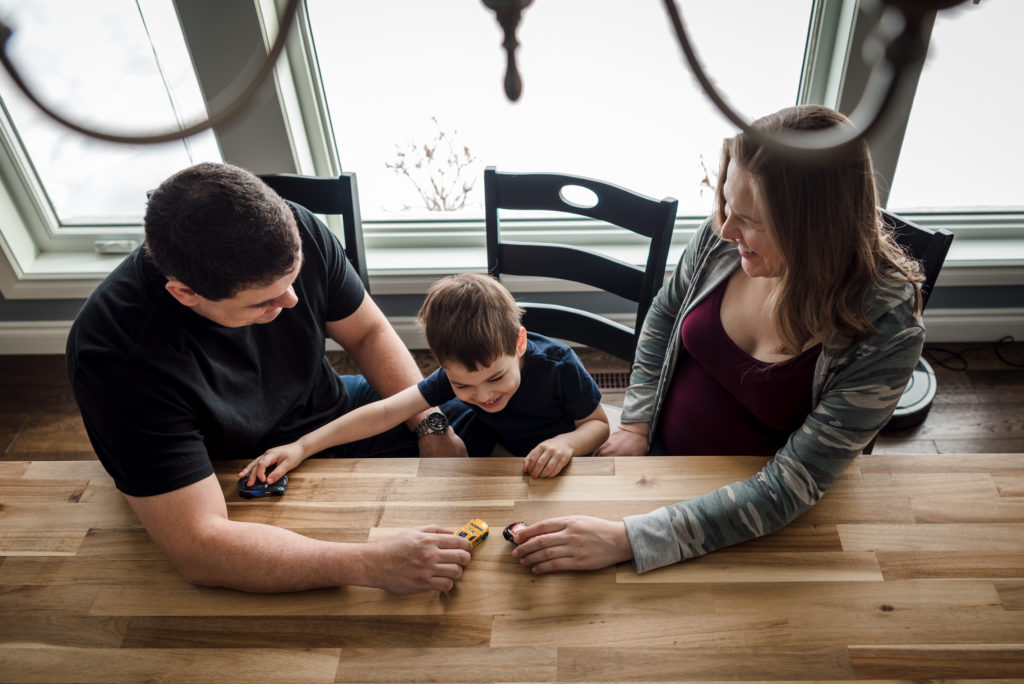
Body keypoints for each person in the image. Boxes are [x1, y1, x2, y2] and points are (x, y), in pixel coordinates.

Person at [510, 105, 926, 575]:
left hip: (748, 516)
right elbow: (665, 313)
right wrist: (637, 422)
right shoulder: (722, 238)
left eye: (751, 220)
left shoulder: (885, 333)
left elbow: (792, 485)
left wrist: (628, 539)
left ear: (815, 230)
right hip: (655, 463)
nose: (726, 230)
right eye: (727, 205)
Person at [66, 162, 473, 594]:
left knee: (488, 418)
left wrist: (430, 423)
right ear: (184, 293)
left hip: (332, 411)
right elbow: (199, 547)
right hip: (229, 474)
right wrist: (367, 564)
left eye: (294, 279)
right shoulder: (114, 358)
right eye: (265, 301)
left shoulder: (296, 228)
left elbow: (369, 334)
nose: (293, 300)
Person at [240, 273, 610, 482]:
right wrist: (302, 446)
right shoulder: (457, 378)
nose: (483, 396)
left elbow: (598, 424)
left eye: (496, 378)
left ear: (519, 342)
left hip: (575, 463)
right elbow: (386, 412)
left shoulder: (559, 364)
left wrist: (568, 443)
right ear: (442, 363)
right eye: (463, 385)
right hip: (510, 457)